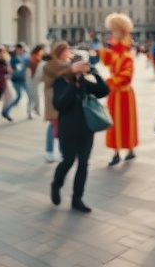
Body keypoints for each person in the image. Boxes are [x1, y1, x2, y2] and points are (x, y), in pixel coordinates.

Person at [50, 60, 109, 213]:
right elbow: (59, 104)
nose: (81, 71)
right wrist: (73, 84)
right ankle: (56, 184)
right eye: (79, 68)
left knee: (83, 164)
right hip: (68, 130)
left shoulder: (85, 82)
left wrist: (95, 73)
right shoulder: (60, 82)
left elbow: (103, 91)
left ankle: (77, 198)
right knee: (68, 161)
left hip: (85, 130)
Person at [99, 13, 139, 166]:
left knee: (126, 122)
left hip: (124, 93)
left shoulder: (128, 54)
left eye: (115, 31)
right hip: (115, 94)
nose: (112, 34)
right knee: (113, 123)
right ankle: (116, 152)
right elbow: (107, 61)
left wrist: (108, 81)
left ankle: (129, 149)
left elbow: (126, 76)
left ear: (122, 33)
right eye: (112, 31)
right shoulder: (115, 51)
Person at [42, 42, 73, 163]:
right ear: (59, 52)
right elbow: (49, 82)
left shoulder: (67, 65)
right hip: (54, 99)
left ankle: (62, 151)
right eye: (66, 50)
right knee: (54, 125)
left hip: (64, 98)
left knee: (62, 125)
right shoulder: (51, 66)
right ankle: (49, 151)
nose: (68, 51)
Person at [1, 43, 29, 121]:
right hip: (16, 80)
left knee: (28, 97)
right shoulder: (12, 58)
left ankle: (6, 111)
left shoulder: (25, 57)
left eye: (21, 48)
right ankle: (6, 111)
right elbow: (10, 69)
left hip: (23, 80)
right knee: (18, 97)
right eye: (18, 48)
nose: (20, 50)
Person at [26, 44, 46, 118]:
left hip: (37, 79)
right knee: (32, 97)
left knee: (36, 96)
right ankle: (31, 111)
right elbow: (31, 68)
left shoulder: (38, 58)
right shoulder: (33, 57)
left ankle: (36, 110)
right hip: (32, 79)